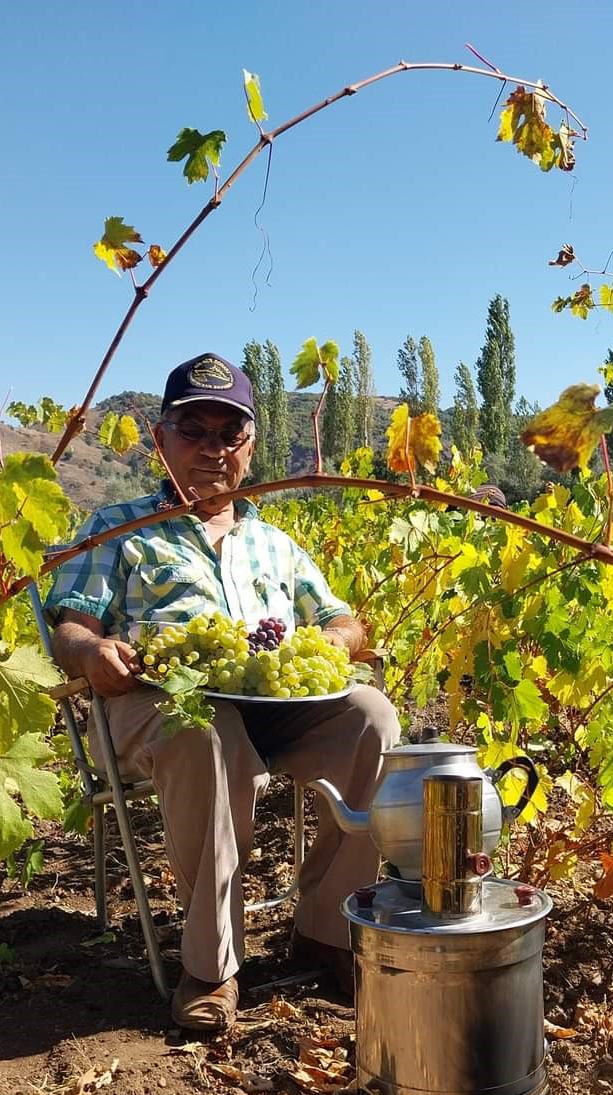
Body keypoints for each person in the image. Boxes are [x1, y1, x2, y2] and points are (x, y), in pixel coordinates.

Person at [45, 352, 401, 1031]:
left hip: (273, 713)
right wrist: (92, 652)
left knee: (372, 717)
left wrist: (335, 643)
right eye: (193, 431)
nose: (212, 449)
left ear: (251, 445)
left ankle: (326, 930)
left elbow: (346, 621)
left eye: (228, 434)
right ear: (162, 441)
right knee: (207, 734)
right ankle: (211, 968)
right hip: (160, 707)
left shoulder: (277, 545)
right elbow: (70, 628)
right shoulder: (122, 531)